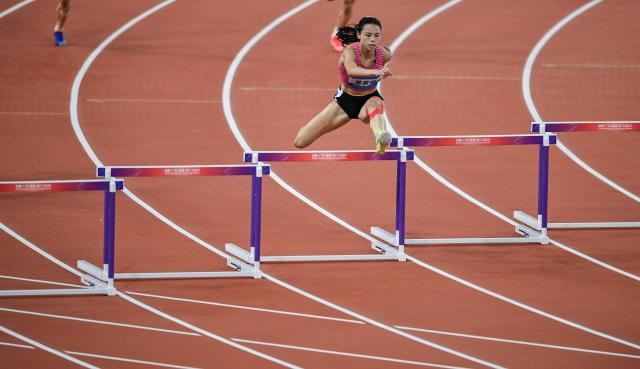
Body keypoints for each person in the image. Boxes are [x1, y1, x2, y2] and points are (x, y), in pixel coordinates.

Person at [294, 16, 392, 154]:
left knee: (375, 103)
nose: (373, 39)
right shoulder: (350, 51)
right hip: (345, 101)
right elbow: (352, 70)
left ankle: (381, 138)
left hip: (369, 99)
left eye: (377, 36)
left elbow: (387, 52)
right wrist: (376, 71)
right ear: (359, 34)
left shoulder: (384, 55)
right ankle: (380, 136)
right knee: (300, 141)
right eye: (368, 35)